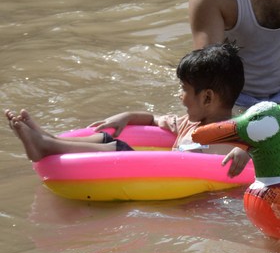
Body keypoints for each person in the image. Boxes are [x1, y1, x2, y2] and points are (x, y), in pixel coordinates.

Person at [6, 43, 251, 178]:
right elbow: (154, 119)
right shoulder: (188, 123)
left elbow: (265, 147)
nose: (180, 95)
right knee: (107, 138)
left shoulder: (233, 134)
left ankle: (47, 146)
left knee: (119, 148)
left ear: (207, 97)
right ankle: (49, 139)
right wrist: (127, 116)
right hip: (167, 172)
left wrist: (245, 153)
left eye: (184, 89)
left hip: (177, 181)